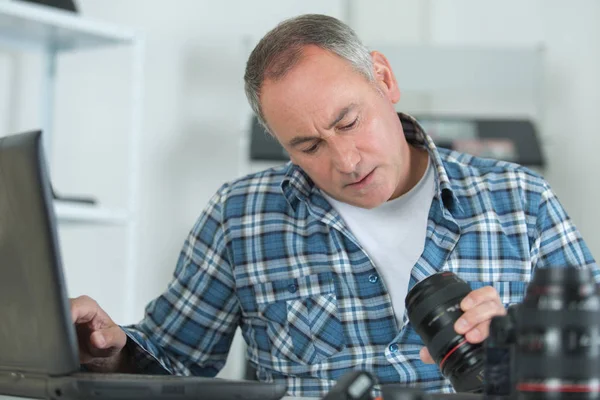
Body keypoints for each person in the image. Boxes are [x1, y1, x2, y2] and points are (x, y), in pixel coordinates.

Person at [70, 13, 598, 398]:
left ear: (384, 80)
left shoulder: (519, 199)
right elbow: (169, 364)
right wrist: (109, 349)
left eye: (348, 121)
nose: (346, 161)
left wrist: (531, 340)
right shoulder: (241, 217)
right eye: (308, 146)